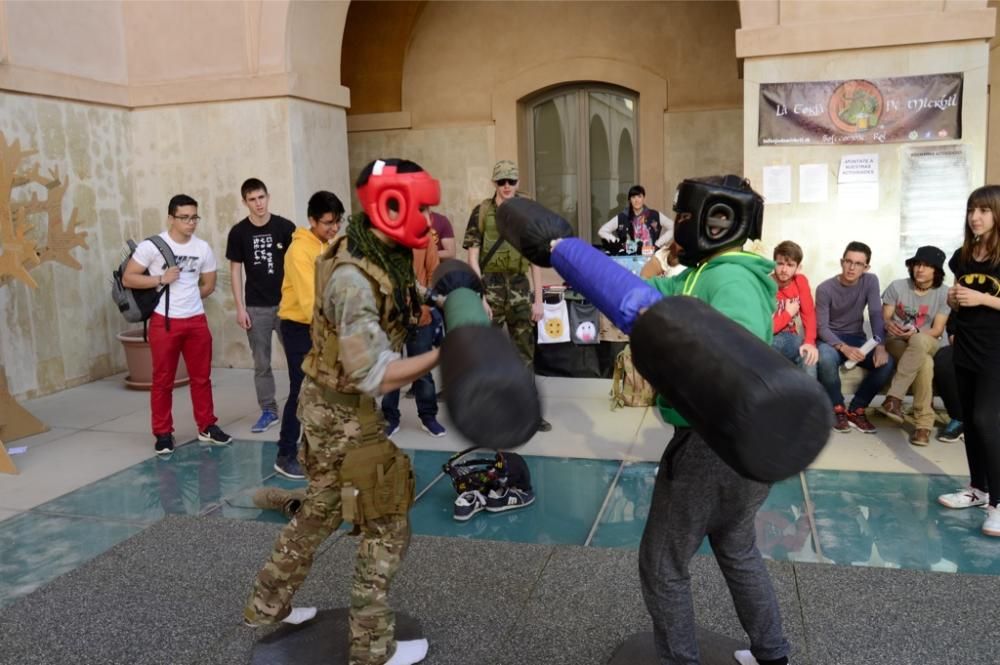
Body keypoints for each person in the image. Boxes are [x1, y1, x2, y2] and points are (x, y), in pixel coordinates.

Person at [244, 159, 439, 665]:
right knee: (386, 520)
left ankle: (268, 605)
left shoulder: (375, 249)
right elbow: (374, 373)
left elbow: (400, 299)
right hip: (344, 414)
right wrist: (448, 355)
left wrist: (440, 298)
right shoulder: (352, 278)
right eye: (418, 207)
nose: (426, 218)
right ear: (390, 207)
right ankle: (372, 649)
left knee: (320, 511)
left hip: (333, 407)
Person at [641, 176, 791, 665]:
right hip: (736, 448)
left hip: (714, 443)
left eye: (686, 217)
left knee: (662, 563)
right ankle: (772, 652)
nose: (679, 224)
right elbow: (646, 291)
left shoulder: (728, 276)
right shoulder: (699, 273)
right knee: (735, 544)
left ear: (716, 220)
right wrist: (567, 253)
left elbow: (736, 354)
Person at [122, 194, 232, 454]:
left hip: (196, 321)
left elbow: (209, 283)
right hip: (165, 321)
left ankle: (207, 426)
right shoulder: (152, 246)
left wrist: (191, 298)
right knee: (162, 380)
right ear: (171, 218)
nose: (191, 223)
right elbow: (129, 278)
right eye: (184, 218)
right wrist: (160, 278)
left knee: (201, 377)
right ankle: (162, 433)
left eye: (194, 217)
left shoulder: (202, 248)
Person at [463, 159, 551, 432]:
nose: (507, 187)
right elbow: (472, 256)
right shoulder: (482, 212)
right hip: (490, 286)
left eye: (511, 181)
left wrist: (538, 299)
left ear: (518, 182)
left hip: (520, 287)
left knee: (524, 352)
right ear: (494, 183)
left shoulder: (527, 212)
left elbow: (536, 259)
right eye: (501, 182)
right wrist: (480, 296)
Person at [937, 185, 1000, 538]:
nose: (975, 217)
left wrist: (980, 298)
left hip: (996, 350)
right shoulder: (962, 256)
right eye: (972, 209)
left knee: (986, 420)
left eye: (984, 210)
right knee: (970, 422)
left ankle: (999, 503)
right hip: (967, 348)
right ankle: (979, 489)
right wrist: (956, 300)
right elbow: (963, 300)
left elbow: (984, 297)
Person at [273, 190, 344, 479]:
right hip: (300, 328)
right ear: (312, 220)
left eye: (338, 221)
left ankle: (318, 450)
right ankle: (285, 454)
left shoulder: (328, 245)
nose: (334, 227)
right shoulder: (299, 251)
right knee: (301, 391)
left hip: (325, 326)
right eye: (328, 222)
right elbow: (309, 301)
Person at [226, 178, 296, 434]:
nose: (258, 203)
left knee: (298, 359)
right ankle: (268, 410)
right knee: (262, 363)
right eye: (253, 199)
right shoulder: (239, 232)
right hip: (256, 308)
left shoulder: (285, 227)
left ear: (268, 197)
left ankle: (303, 406)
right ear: (245, 202)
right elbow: (235, 271)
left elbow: (300, 265)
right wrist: (240, 307)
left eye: (262, 197)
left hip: (288, 306)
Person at [815, 241, 895, 434]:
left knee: (887, 363)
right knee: (825, 358)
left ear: (866, 267)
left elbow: (876, 313)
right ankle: (837, 409)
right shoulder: (825, 289)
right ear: (841, 262)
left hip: (857, 338)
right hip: (831, 339)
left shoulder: (870, 281)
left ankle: (856, 410)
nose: (852, 267)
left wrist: (880, 344)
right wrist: (843, 347)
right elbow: (822, 328)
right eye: (848, 261)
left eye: (858, 264)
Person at [382, 206, 447, 438]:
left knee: (422, 370)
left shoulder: (425, 236)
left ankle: (428, 416)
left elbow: (434, 273)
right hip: (393, 318)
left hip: (421, 315)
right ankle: (389, 417)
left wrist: (427, 306)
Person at [876, 245, 950, 446]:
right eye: (917, 264)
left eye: (926, 266)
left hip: (928, 341)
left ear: (937, 271)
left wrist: (916, 333)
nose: (920, 269)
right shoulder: (897, 287)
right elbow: (885, 319)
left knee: (919, 341)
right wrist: (889, 324)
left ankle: (894, 398)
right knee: (924, 364)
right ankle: (923, 425)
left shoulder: (945, 293)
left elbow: (936, 330)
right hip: (898, 341)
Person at [770, 240, 818, 377]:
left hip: (791, 339)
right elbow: (767, 328)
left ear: (798, 267)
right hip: (769, 337)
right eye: (780, 264)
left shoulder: (800, 281)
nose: (784, 270)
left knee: (809, 356)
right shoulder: (766, 284)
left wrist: (809, 342)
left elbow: (809, 314)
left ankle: (810, 397)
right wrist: (788, 313)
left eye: (790, 265)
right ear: (774, 263)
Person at [597, 184, 666, 256]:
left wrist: (659, 243)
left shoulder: (653, 214)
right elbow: (602, 231)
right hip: (629, 259)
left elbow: (673, 227)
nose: (636, 200)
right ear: (630, 200)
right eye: (633, 197)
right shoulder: (623, 216)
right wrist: (618, 243)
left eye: (639, 196)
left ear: (643, 198)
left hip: (650, 257)